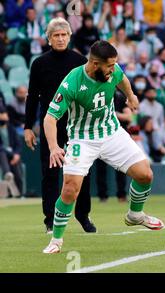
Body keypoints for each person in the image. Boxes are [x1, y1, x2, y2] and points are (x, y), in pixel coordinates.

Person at [42, 40, 164, 254]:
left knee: (145, 174)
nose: (113, 69)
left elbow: (122, 78)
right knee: (70, 189)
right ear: (95, 64)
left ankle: (135, 215)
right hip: (82, 139)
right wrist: (53, 147)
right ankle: (56, 240)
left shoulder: (113, 70)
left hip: (111, 133)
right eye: (109, 66)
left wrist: (131, 96)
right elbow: (50, 117)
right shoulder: (72, 82)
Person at [24, 18, 95, 234]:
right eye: (56, 35)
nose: (61, 38)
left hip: (77, 124)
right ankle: (50, 220)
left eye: (64, 34)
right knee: (50, 171)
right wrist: (28, 126)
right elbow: (32, 97)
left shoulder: (81, 61)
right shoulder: (39, 63)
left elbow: (89, 93)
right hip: (51, 124)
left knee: (82, 171)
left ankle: (83, 216)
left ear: (70, 36)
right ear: (49, 39)